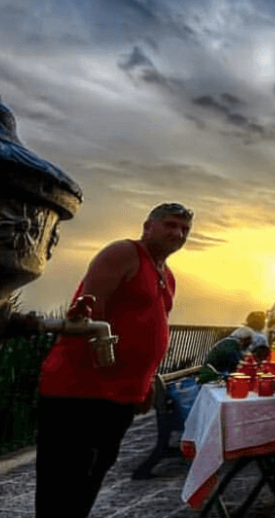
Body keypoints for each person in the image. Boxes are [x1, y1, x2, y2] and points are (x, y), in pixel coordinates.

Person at [35, 202, 193, 518]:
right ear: (149, 226)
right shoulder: (124, 253)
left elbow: (151, 327)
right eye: (170, 225)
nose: (178, 233)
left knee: (91, 478)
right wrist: (106, 365)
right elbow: (90, 311)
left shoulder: (167, 275)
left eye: (184, 229)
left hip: (119, 397)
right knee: (63, 483)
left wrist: (146, 380)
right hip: (81, 392)